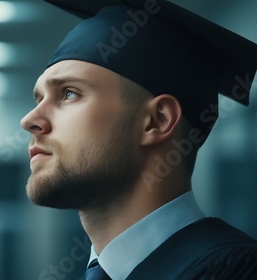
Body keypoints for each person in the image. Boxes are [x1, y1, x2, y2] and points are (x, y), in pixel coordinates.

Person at [20, 0, 257, 279]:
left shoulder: (236, 271)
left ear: (157, 121)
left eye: (69, 93)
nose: (29, 120)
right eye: (39, 99)